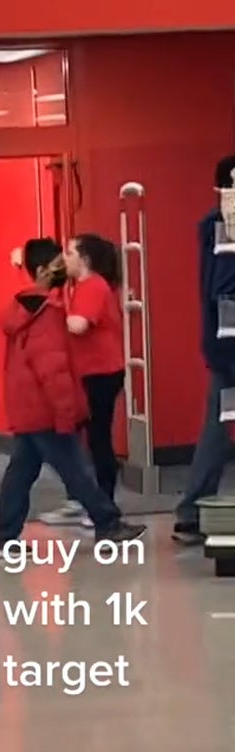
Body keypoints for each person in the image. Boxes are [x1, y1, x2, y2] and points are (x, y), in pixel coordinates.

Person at [0, 239, 146, 552]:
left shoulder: (25, 307)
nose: (65, 265)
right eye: (61, 259)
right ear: (46, 270)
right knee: (75, 469)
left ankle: (0, 536)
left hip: (25, 405)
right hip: (44, 410)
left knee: (22, 471)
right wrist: (65, 413)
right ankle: (107, 523)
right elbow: (53, 370)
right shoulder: (48, 315)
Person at [40, 234, 129, 528]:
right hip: (86, 373)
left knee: (97, 438)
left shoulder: (93, 287)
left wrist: (55, 315)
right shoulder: (76, 287)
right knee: (78, 437)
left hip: (100, 373)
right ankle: (82, 500)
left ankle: (102, 501)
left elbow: (78, 325)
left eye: (69, 253)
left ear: (85, 259)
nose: (65, 258)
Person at [174, 155, 235, 545]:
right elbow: (225, 294)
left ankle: (192, 512)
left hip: (224, 349)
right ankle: (192, 511)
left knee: (218, 430)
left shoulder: (215, 229)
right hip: (231, 352)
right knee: (218, 431)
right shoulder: (225, 233)